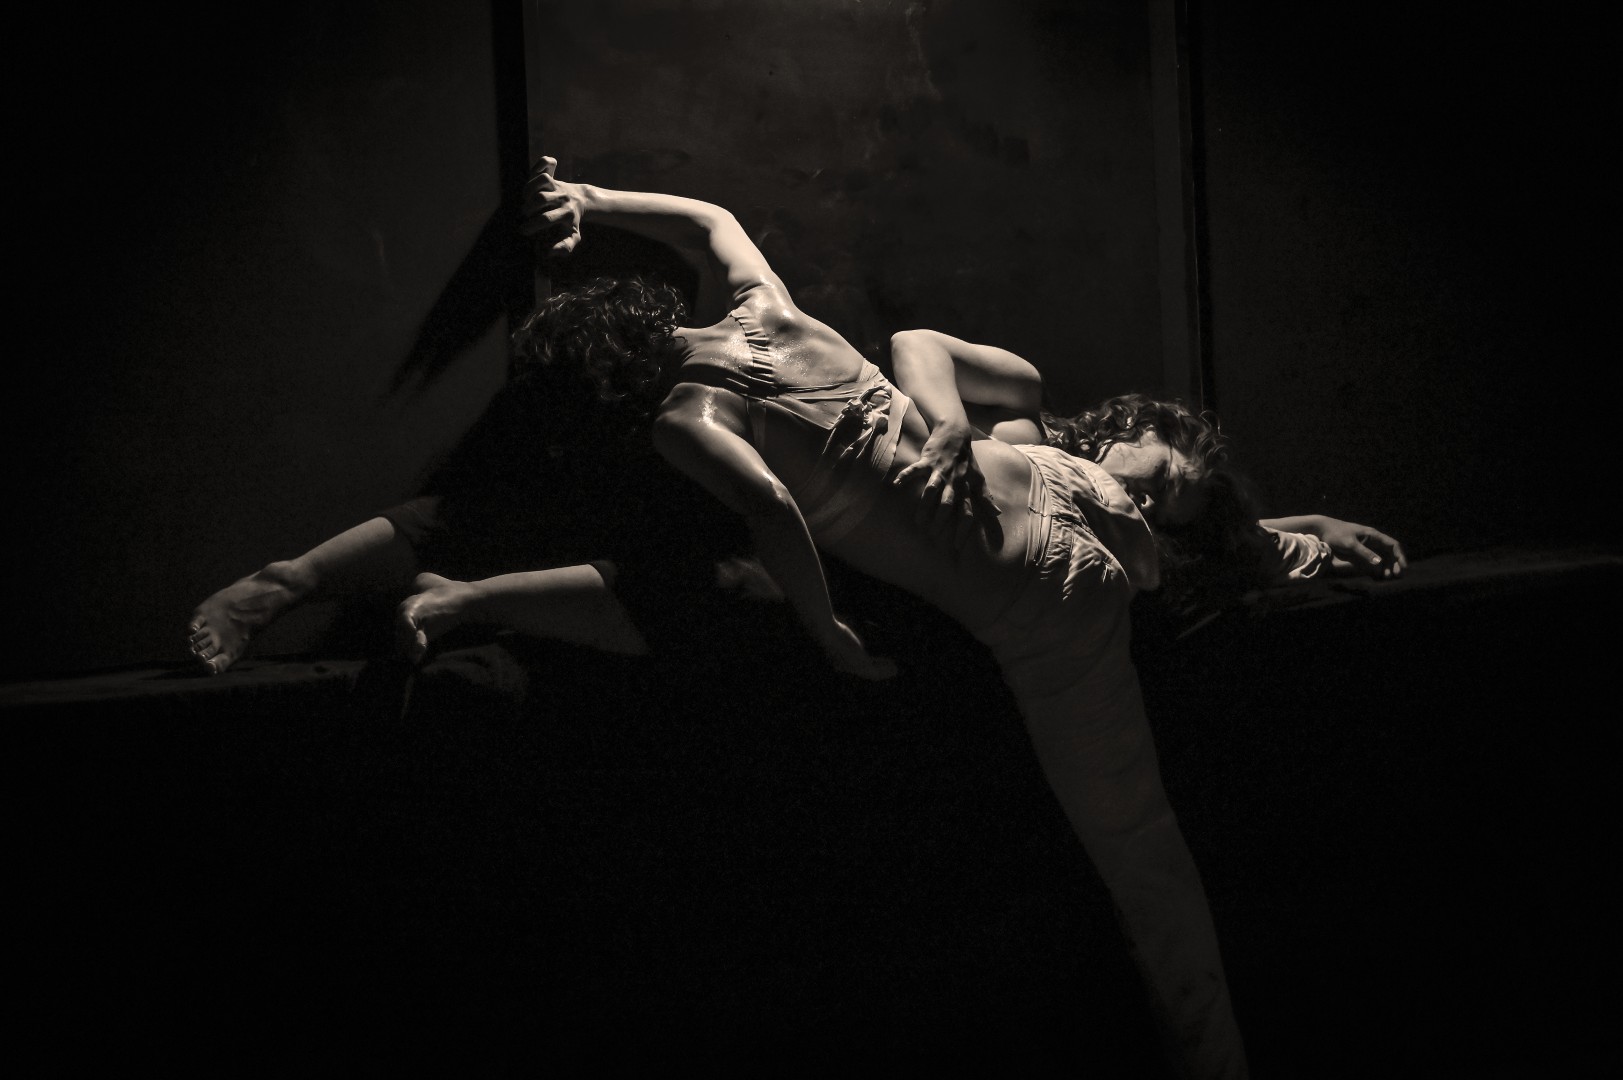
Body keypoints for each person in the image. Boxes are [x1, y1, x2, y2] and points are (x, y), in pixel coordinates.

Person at [516, 158, 1288, 1076]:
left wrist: (827, 630)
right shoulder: (767, 311)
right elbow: (709, 222)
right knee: (1189, 565)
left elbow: (770, 509)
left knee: (1136, 847)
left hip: (1040, 589)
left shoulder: (686, 418)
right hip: (1060, 487)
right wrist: (591, 199)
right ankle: (1282, 547)